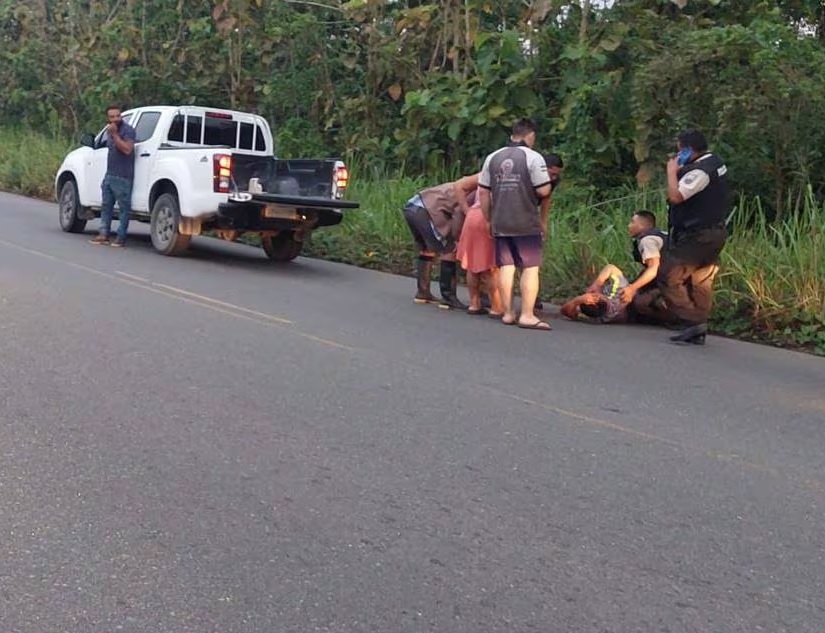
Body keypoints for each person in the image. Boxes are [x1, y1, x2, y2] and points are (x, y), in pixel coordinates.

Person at [478, 118, 553, 330]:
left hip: (500, 220)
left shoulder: (492, 157)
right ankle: (527, 315)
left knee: (506, 266)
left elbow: (483, 191)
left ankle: (508, 312)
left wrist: (488, 219)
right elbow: (544, 190)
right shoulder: (533, 157)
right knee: (530, 267)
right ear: (530, 136)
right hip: (525, 220)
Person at [659, 129, 730, 345]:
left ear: (688, 150)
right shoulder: (716, 162)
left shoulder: (699, 172)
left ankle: (692, 322)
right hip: (715, 231)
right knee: (701, 279)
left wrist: (672, 172)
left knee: (669, 274)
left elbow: (676, 196)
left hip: (700, 234)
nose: (676, 154)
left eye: (679, 150)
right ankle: (698, 327)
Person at [561, 210, 669, 324]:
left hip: (668, 275)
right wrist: (631, 289)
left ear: (642, 226)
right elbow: (653, 269)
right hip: (670, 276)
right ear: (601, 297)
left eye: (632, 222)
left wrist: (580, 299)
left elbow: (565, 311)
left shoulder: (601, 318)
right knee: (644, 301)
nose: (629, 225)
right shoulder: (656, 236)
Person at [403, 174, 478, 309]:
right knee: (449, 248)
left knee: (427, 248)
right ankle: (448, 297)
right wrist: (456, 239)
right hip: (426, 209)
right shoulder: (473, 192)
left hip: (413, 205)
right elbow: (458, 215)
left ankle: (423, 292)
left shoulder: (471, 186)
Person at [89, 104, 136, 247]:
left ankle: (121, 237)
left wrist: (115, 135)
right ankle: (103, 234)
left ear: (121, 116)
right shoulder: (109, 131)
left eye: (118, 116)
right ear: (108, 118)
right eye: (112, 117)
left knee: (123, 209)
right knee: (106, 206)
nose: (115, 119)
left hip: (123, 176)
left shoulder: (127, 130)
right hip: (110, 174)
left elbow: (128, 149)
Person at [456, 195, 504, 317]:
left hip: (473, 216)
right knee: (491, 267)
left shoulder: (482, 175)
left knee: (472, 264)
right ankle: (496, 306)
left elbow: (459, 186)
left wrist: (467, 210)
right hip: (488, 217)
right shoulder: (504, 177)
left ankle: (474, 304)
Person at [533, 153, 564, 313]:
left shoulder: (552, 182)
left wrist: (543, 224)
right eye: (551, 173)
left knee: (533, 260)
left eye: (556, 175)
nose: (553, 177)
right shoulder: (530, 175)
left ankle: (533, 296)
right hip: (516, 214)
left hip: (530, 217)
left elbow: (546, 200)